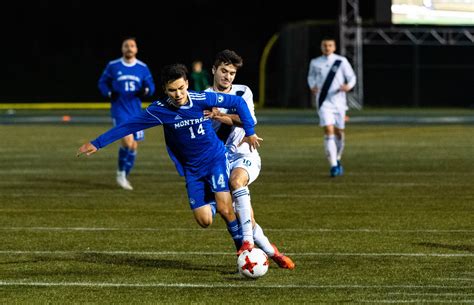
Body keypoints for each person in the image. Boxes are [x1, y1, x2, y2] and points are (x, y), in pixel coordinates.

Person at [79, 63, 262, 255]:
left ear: (187, 84)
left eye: (181, 88)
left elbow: (239, 103)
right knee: (204, 220)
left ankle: (243, 252)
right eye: (172, 90)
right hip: (192, 169)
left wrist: (249, 132)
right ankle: (215, 200)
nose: (178, 94)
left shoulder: (201, 98)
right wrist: (97, 143)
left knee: (226, 210)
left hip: (215, 160)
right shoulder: (158, 110)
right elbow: (128, 126)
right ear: (165, 90)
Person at [204, 49, 295, 269]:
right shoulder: (203, 97)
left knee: (237, 182)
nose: (228, 77)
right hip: (220, 159)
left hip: (246, 152)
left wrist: (219, 115)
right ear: (214, 70)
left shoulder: (243, 91)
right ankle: (272, 252)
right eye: (224, 71)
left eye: (232, 73)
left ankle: (246, 243)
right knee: (244, 216)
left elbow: (246, 121)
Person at [98, 37, 156, 190]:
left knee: (134, 146)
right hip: (119, 110)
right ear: (122, 49)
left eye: (132, 45)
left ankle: (124, 173)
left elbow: (151, 86)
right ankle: (121, 174)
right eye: (126, 46)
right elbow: (102, 82)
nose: (129, 48)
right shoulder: (113, 66)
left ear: (136, 49)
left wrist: (146, 90)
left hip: (135, 110)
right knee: (127, 141)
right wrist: (110, 93)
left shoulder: (142, 67)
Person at [307, 37, 356, 177]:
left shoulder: (341, 61)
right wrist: (312, 86)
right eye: (324, 45)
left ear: (334, 47)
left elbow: (351, 77)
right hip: (323, 102)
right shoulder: (315, 62)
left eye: (330, 45)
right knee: (329, 130)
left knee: (339, 132)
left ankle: (337, 157)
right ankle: (334, 165)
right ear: (321, 47)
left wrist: (348, 86)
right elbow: (310, 77)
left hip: (339, 102)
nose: (327, 47)